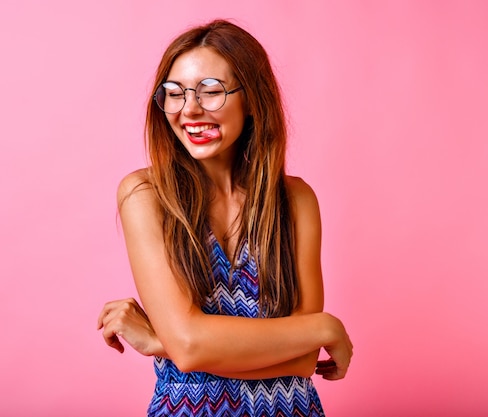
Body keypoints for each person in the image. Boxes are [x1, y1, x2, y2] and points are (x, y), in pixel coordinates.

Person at [97, 19, 353, 417]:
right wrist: (325, 328)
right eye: (174, 94)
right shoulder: (145, 195)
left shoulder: (296, 200)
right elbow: (189, 344)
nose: (190, 110)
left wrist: (159, 339)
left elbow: (303, 362)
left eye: (211, 92)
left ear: (252, 100)